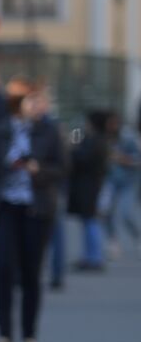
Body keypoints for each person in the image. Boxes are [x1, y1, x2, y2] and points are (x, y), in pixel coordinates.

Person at [0, 79, 65, 342]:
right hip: (5, 206)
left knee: (31, 271)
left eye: (41, 101)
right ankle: (4, 334)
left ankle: (29, 335)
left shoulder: (50, 131)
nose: (38, 106)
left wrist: (37, 170)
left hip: (37, 208)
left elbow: (63, 168)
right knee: (4, 268)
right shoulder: (0, 131)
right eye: (32, 101)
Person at [66, 111, 111, 272]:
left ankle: (94, 257)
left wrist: (73, 150)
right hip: (89, 186)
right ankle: (90, 256)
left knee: (90, 221)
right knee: (88, 222)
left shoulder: (97, 140)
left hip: (90, 187)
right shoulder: (96, 139)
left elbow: (84, 159)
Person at [103, 111, 140, 259]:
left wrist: (121, 158)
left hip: (128, 182)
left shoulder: (128, 139)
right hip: (109, 181)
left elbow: (138, 160)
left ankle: (137, 235)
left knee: (126, 213)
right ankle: (113, 241)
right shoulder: (104, 139)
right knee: (105, 212)